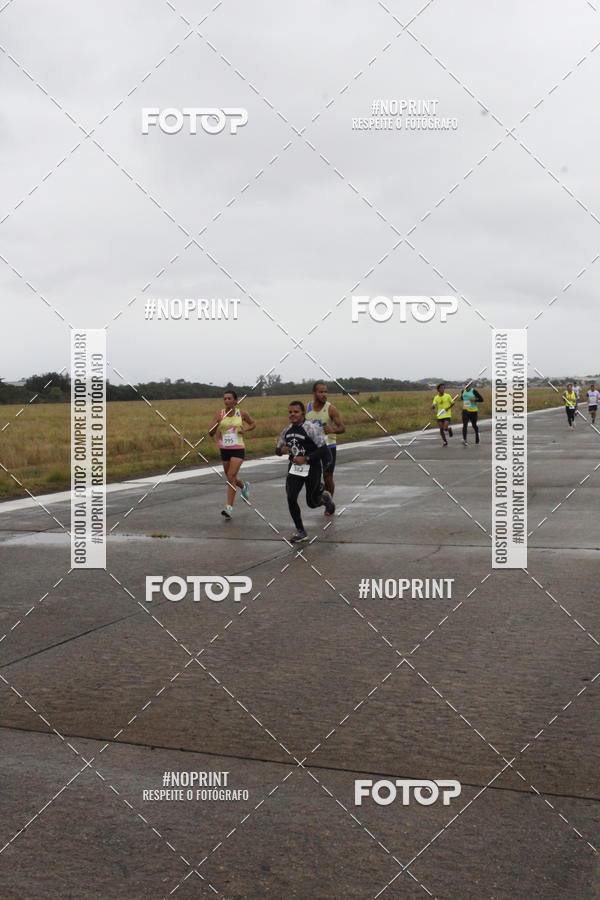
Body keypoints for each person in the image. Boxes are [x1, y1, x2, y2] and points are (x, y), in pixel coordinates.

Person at [275, 401, 335, 542]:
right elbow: (277, 450)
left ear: (303, 413)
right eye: (290, 412)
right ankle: (301, 531)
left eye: (295, 412)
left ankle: (324, 498)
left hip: (312, 469)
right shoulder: (286, 431)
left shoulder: (311, 428)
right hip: (294, 469)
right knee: (291, 497)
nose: (292, 415)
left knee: (312, 503)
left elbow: (323, 449)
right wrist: (280, 451)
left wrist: (307, 458)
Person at [208, 390, 255, 518]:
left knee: (231, 476)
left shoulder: (242, 413)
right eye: (225, 399)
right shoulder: (220, 414)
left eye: (229, 398)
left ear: (235, 400)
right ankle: (244, 485)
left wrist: (245, 429)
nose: (227, 401)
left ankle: (228, 508)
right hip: (224, 449)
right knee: (231, 478)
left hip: (238, 448)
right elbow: (210, 432)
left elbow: (253, 424)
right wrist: (214, 427)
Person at [305, 381, 345, 512]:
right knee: (312, 476)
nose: (324, 394)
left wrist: (332, 430)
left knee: (327, 476)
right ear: (314, 393)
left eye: (325, 392)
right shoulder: (307, 408)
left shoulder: (330, 408)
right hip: (313, 448)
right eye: (321, 392)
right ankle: (321, 491)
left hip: (329, 446)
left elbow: (342, 428)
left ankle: (329, 504)